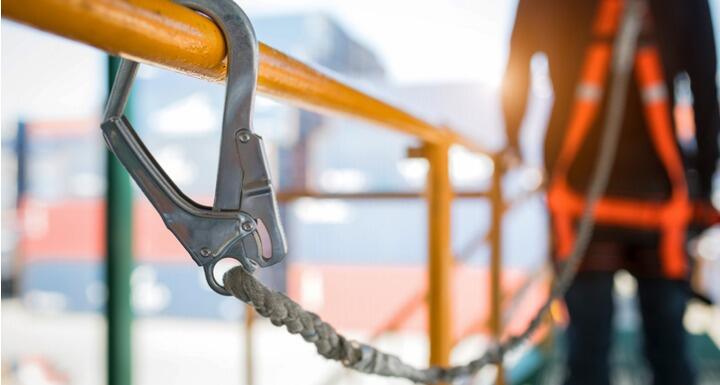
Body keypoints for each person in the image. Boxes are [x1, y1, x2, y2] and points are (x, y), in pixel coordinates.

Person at [500, 0, 719, 384]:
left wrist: (513, 141)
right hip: (659, 197)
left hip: (579, 195)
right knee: (668, 347)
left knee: (586, 348)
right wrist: (702, 183)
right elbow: (703, 83)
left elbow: (517, 63)